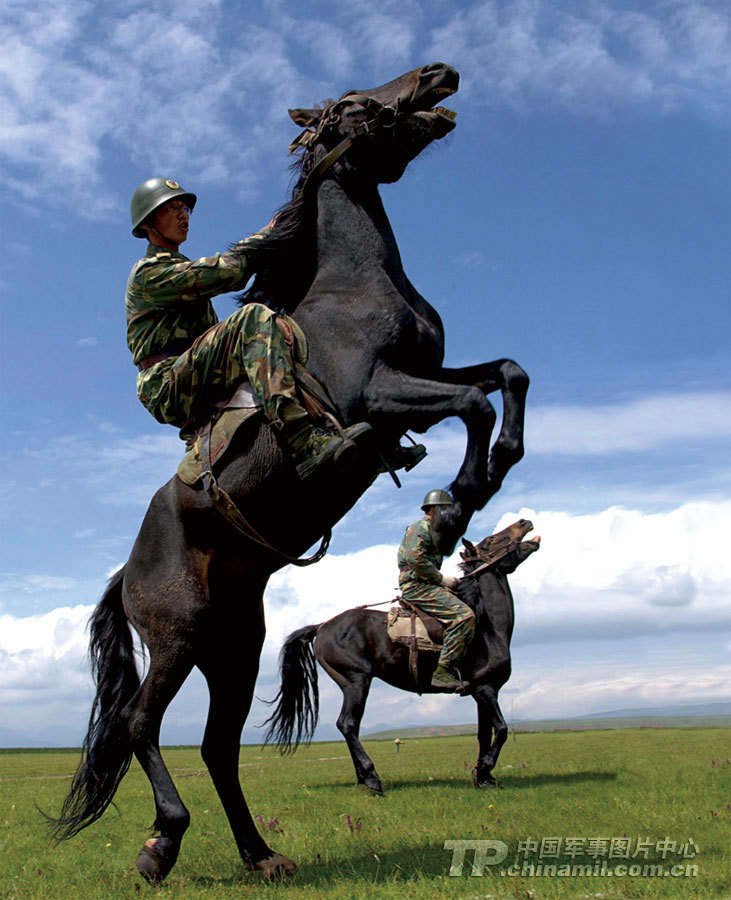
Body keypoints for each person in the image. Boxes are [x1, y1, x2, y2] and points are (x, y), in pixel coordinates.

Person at [125, 177, 371, 479]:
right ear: (149, 222)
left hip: (194, 370)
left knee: (282, 329)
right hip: (167, 384)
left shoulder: (175, 268)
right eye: (172, 208)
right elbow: (229, 271)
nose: (182, 215)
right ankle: (300, 438)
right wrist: (270, 234)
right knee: (252, 319)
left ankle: (355, 419)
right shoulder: (149, 273)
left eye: (185, 208)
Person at [397, 489, 475, 691]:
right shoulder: (420, 527)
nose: (448, 514)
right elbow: (415, 558)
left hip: (427, 584)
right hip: (417, 586)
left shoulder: (432, 529)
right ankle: (443, 670)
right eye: (445, 509)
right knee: (464, 615)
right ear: (434, 509)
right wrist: (441, 579)